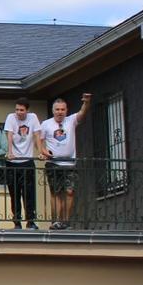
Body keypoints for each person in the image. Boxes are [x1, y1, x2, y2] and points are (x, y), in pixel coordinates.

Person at [40, 94, 91, 229]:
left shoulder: (71, 120)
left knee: (69, 191)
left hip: (70, 163)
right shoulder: (46, 124)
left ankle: (66, 221)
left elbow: (82, 113)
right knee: (56, 192)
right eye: (57, 109)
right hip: (54, 164)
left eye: (62, 109)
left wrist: (86, 102)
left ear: (66, 110)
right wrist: (43, 151)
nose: (60, 112)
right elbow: (38, 141)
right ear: (53, 110)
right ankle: (56, 220)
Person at [3, 98, 43, 229]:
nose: (18, 112)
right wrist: (9, 152)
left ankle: (30, 221)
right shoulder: (11, 117)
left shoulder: (33, 118)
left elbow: (37, 135)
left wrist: (40, 151)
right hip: (12, 162)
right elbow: (9, 135)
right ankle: (17, 222)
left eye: (21, 110)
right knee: (14, 193)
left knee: (29, 193)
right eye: (17, 109)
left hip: (27, 161)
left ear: (27, 110)